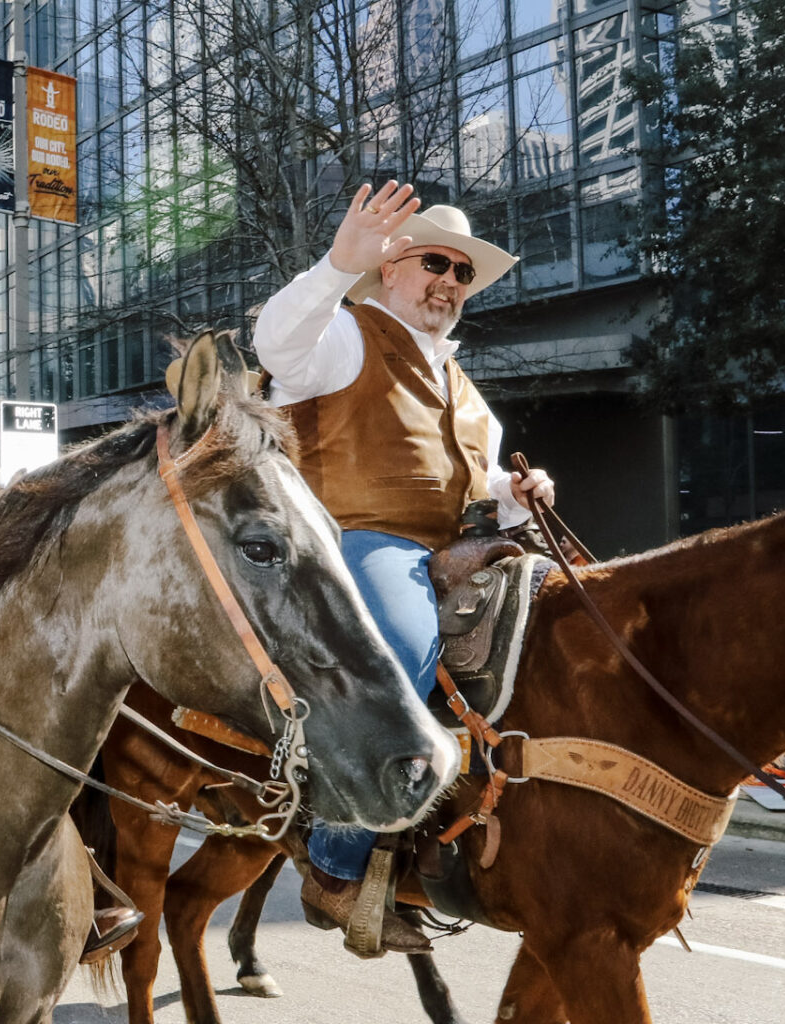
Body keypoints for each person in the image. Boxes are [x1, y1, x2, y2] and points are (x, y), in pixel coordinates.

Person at [253, 181, 557, 955]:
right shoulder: (346, 334)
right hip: (356, 539)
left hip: (454, 546)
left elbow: (478, 478)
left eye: (462, 274)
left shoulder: (460, 380)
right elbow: (274, 348)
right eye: (436, 263)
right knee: (405, 641)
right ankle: (334, 860)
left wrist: (519, 492)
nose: (450, 283)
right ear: (390, 267)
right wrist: (334, 265)